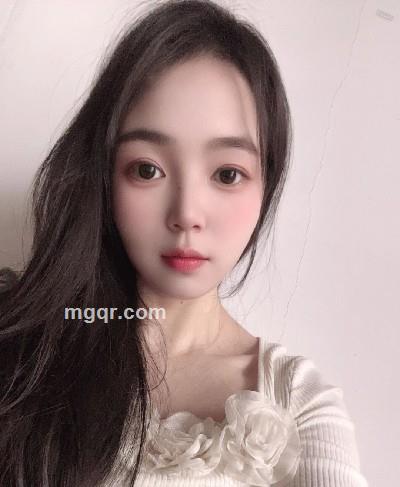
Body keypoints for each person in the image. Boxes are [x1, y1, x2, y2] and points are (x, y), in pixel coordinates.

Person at [0, 0, 368, 486]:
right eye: (147, 169)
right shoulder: (26, 355)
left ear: (266, 185)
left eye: (227, 174)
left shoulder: (298, 402)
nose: (187, 214)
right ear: (103, 175)